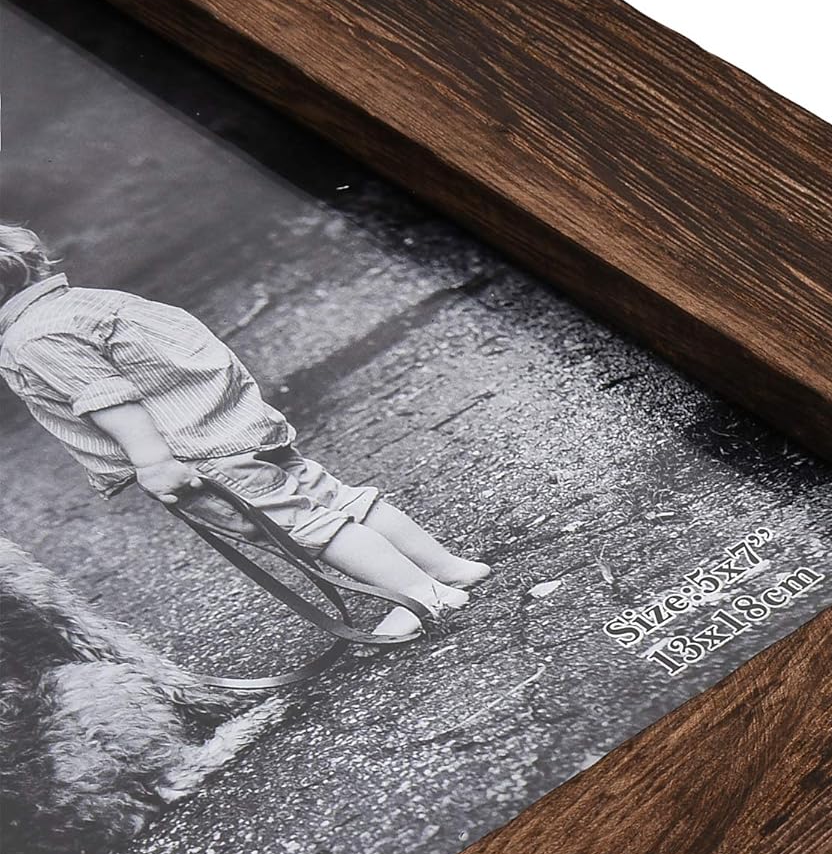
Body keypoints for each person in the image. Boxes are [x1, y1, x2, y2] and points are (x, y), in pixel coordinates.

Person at [0, 224, 489, 638]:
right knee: (335, 497)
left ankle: (421, 594)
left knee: (300, 525)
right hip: (231, 425)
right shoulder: (88, 302)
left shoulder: (32, 338)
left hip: (191, 454)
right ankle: (447, 567)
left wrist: (153, 463)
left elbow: (108, 398)